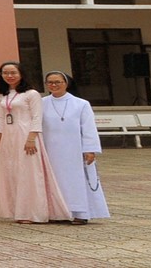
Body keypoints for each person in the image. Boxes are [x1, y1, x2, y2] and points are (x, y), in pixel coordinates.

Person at [0, 61, 70, 224]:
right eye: (5, 73)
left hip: (26, 134)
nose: (9, 76)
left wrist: (31, 138)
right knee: (12, 172)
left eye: (13, 72)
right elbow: (0, 117)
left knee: (29, 173)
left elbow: (37, 117)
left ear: (21, 74)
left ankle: (32, 212)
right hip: (9, 135)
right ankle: (16, 210)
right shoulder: (2, 94)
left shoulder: (31, 94)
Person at [41, 71, 109, 224]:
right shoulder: (41, 103)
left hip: (75, 150)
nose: (54, 85)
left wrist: (90, 149)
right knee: (54, 181)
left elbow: (89, 128)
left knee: (76, 181)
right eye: (50, 82)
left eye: (57, 82)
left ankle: (81, 213)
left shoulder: (81, 104)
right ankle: (57, 213)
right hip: (50, 149)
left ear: (66, 83)